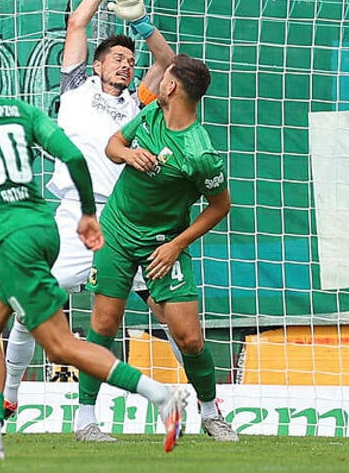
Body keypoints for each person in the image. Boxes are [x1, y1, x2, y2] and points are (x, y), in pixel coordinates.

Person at [0, 36, 187, 460]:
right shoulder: (19, 110)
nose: (125, 65)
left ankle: (158, 394)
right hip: (48, 226)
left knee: (60, 344)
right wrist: (84, 213)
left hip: (15, 238)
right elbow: (76, 159)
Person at [0, 0, 185, 440]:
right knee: (32, 306)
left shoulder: (139, 102)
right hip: (76, 218)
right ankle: (11, 393)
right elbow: (77, 25)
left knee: (172, 317)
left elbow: (169, 62)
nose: (125, 64)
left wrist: (139, 22)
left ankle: (207, 404)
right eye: (117, 58)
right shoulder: (77, 88)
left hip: (130, 222)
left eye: (128, 60)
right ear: (96, 66)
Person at [80, 51, 239, 442]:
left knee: (189, 337)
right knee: (102, 324)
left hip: (165, 243)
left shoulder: (200, 153)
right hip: (116, 231)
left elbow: (220, 206)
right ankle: (85, 420)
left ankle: (209, 413)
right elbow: (113, 143)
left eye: (163, 76)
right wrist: (128, 154)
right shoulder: (150, 115)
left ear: (170, 87)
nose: (156, 81)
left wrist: (176, 246)